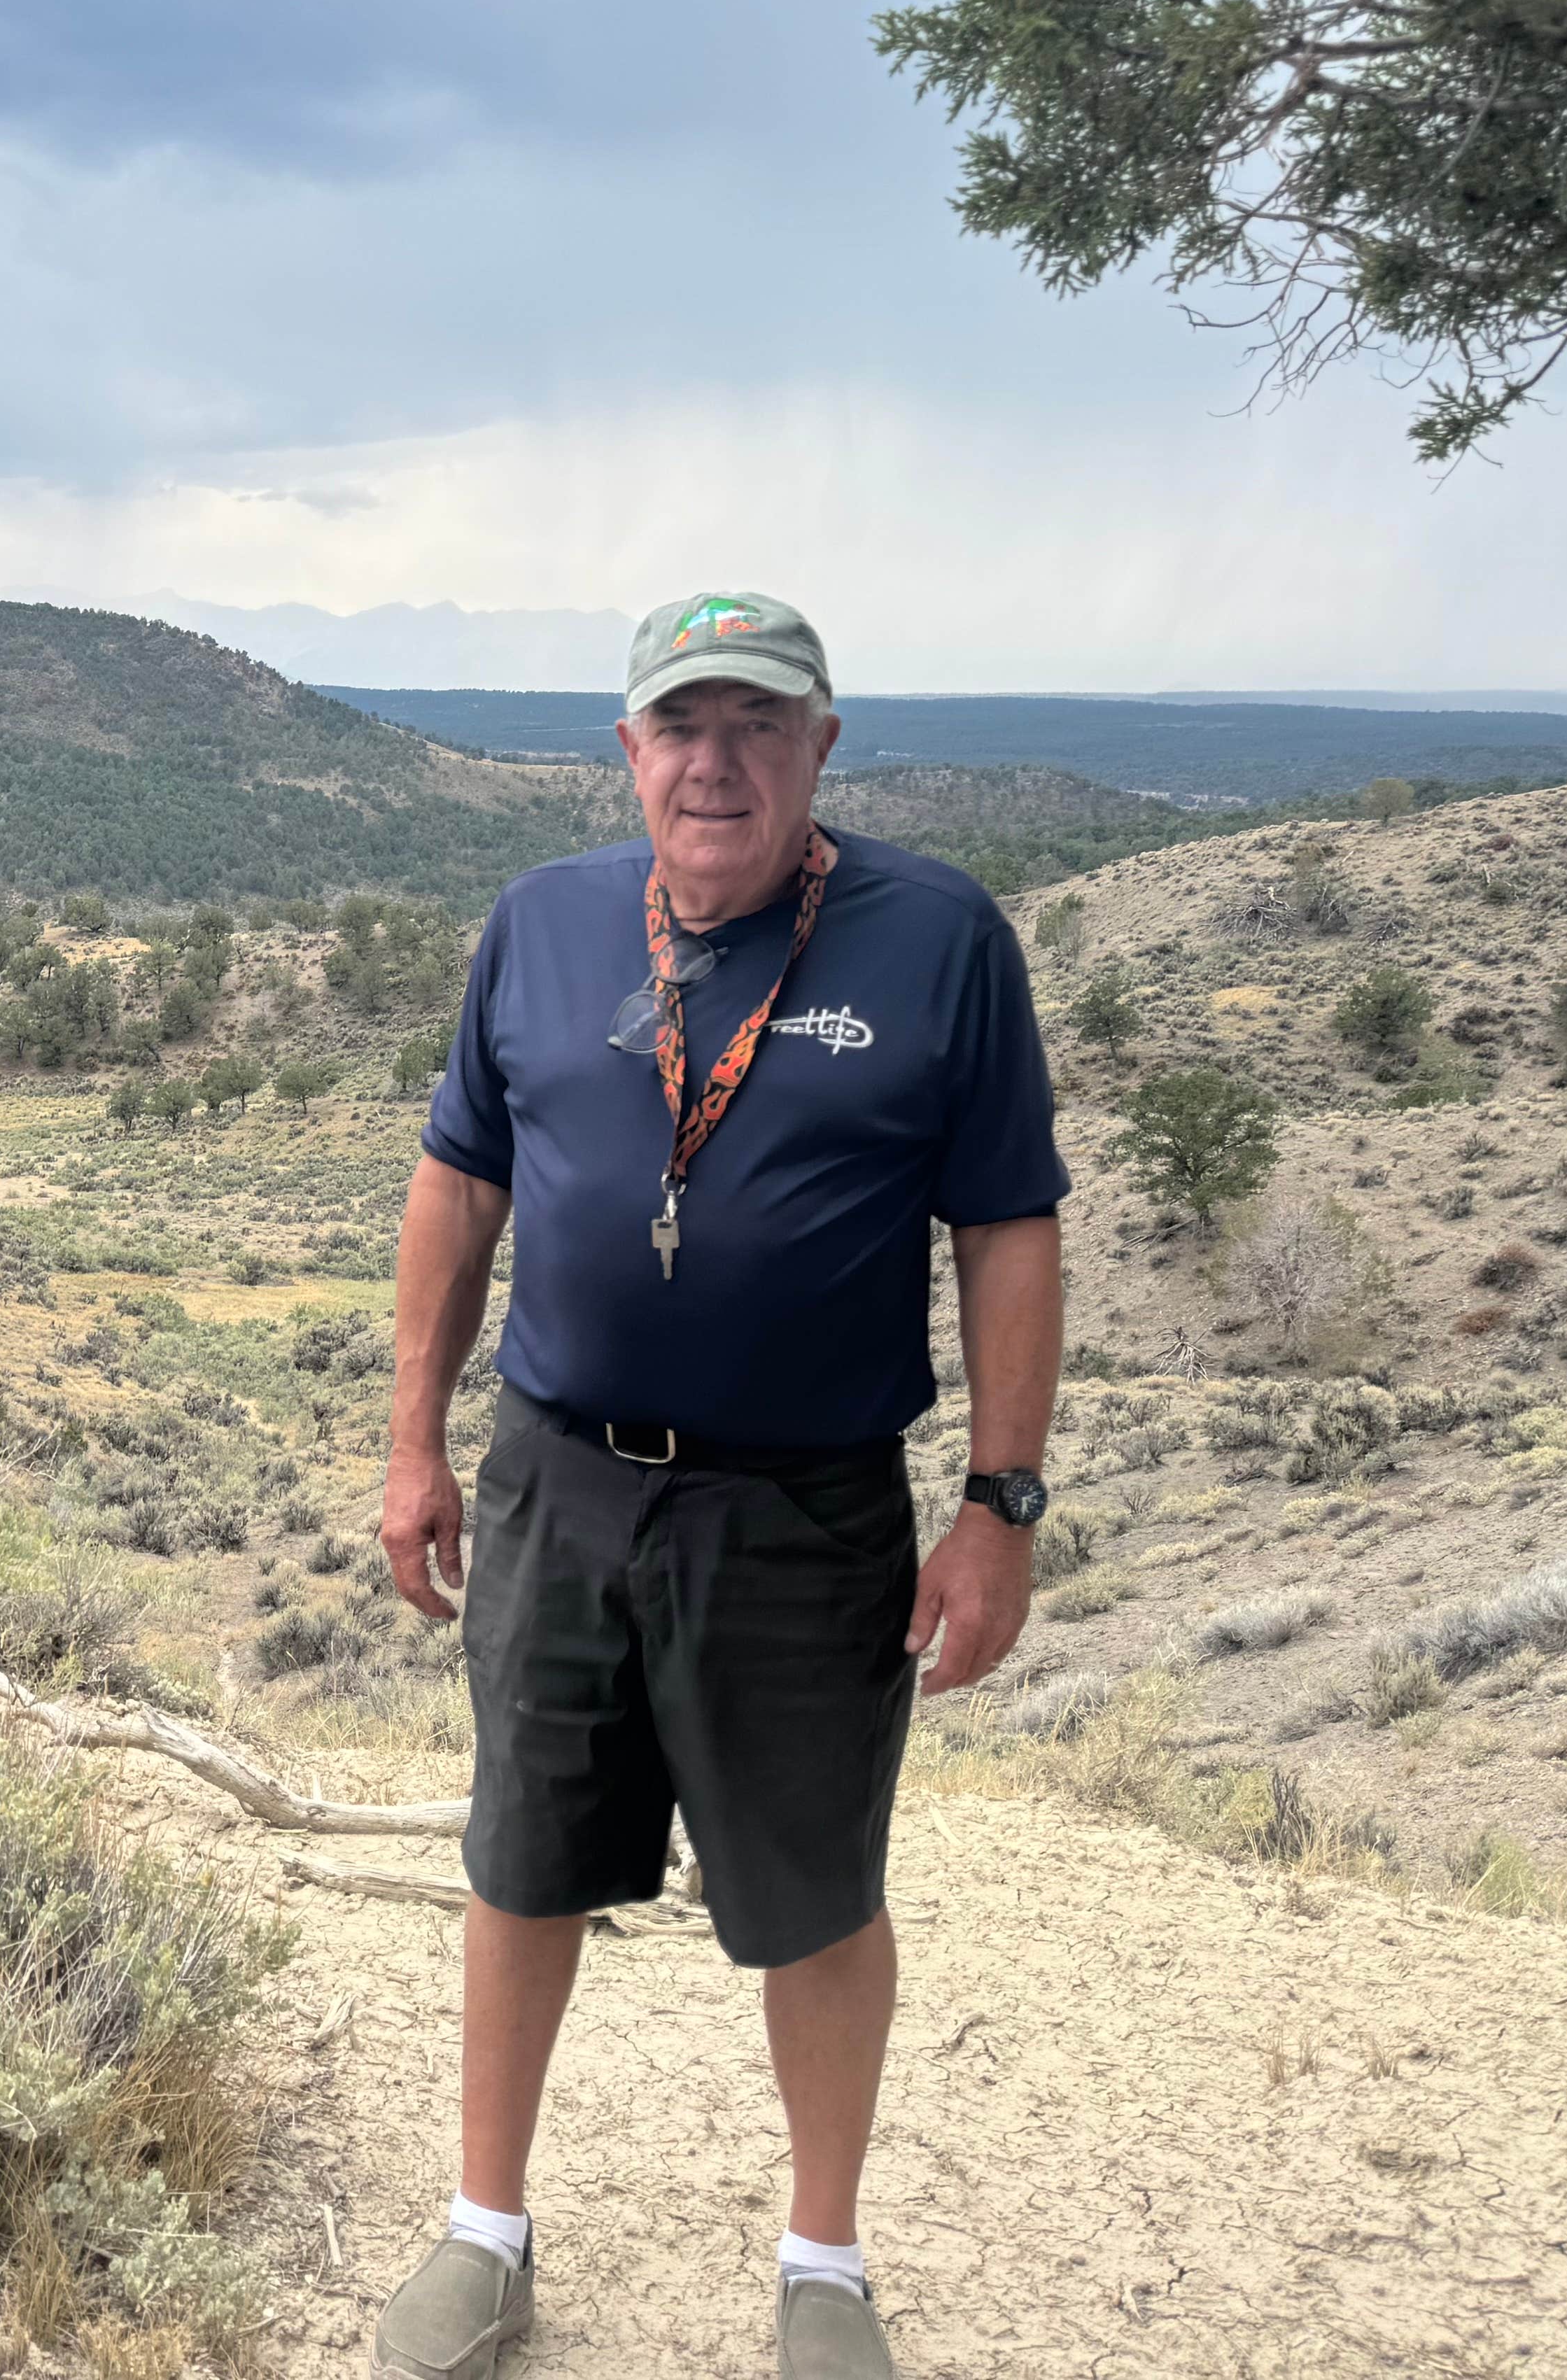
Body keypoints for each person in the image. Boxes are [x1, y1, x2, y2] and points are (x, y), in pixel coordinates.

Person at [369, 591, 1067, 2380]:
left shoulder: (941, 940)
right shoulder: (538, 927)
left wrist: (1002, 1501)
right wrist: (411, 1440)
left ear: (824, 748)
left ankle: (824, 2269)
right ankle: (485, 2237)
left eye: (761, 724)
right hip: (558, 1480)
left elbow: (1006, 1226)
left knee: (815, 1893)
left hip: (805, 1508)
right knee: (524, 1864)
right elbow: (460, 1184)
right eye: (683, 725)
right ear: (628, 752)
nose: (717, 761)